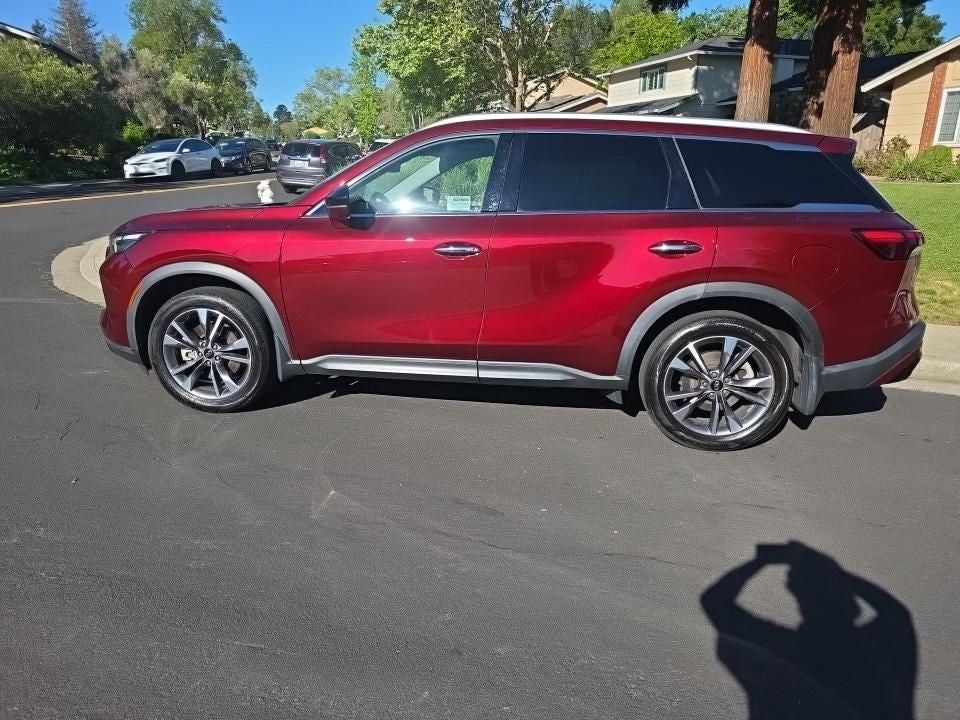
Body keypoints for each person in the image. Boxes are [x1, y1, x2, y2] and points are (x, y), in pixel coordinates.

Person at [701, 541, 917, 720]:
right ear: (851, 603)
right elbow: (895, 613)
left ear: (803, 602)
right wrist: (837, 575)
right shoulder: (880, 652)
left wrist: (762, 562)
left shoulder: (781, 652)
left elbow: (715, 601)